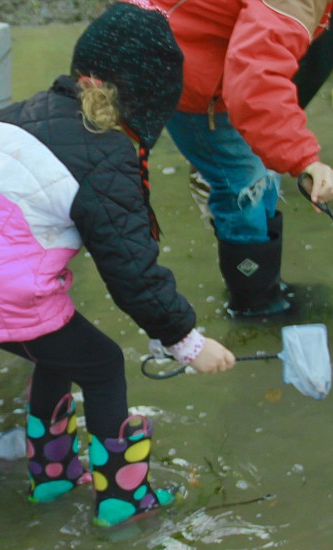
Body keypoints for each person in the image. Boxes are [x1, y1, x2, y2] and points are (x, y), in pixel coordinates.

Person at [0, 2, 237, 527]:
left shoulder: (7, 118)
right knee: (103, 363)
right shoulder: (107, 155)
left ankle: (54, 474)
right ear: (150, 98)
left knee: (59, 350)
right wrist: (186, 341)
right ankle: (121, 501)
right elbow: (131, 271)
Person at [137, 0, 333, 316]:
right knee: (244, 191)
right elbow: (255, 84)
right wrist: (304, 158)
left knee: (261, 172)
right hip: (189, 78)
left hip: (184, 43)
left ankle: (266, 282)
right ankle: (254, 304)